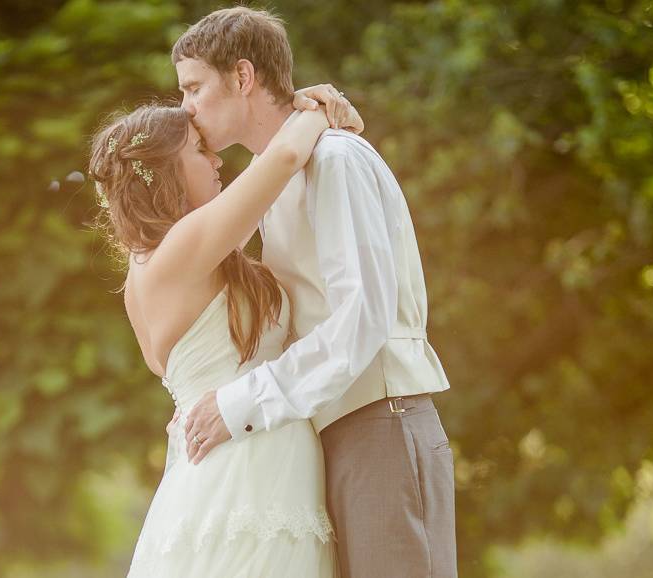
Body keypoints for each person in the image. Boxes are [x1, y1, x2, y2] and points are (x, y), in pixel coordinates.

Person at [174, 7, 458, 577]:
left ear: (244, 77)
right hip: (334, 430)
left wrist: (240, 403)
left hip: (382, 421)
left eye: (194, 87)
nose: (186, 107)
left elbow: (363, 318)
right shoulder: (279, 176)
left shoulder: (336, 160)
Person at [89, 98, 363, 577]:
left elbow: (261, 187)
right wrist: (322, 106)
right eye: (200, 150)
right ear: (166, 171)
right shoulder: (182, 251)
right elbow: (279, 160)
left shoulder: (162, 262)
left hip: (237, 466)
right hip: (246, 474)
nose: (217, 159)